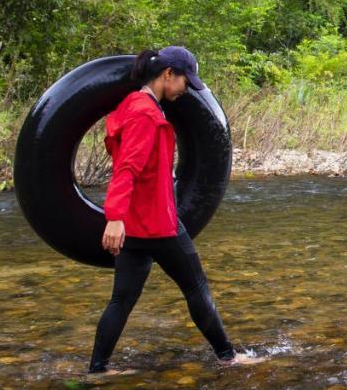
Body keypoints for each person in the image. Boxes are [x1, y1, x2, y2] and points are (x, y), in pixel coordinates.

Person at [89, 46, 257, 373]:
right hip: (156, 223)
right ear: (168, 74)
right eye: (183, 82)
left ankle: (97, 370)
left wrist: (122, 219)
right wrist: (114, 217)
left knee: (121, 300)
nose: (184, 90)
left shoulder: (131, 105)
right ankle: (228, 356)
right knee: (196, 288)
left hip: (135, 227)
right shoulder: (146, 115)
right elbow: (128, 169)